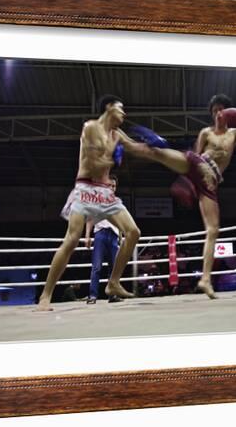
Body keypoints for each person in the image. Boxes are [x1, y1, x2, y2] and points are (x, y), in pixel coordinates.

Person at [119, 94, 236, 299]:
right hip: (197, 165)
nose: (217, 114)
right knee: (156, 153)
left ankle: (205, 279)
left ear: (227, 112)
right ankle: (119, 137)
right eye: (214, 111)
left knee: (213, 230)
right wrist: (188, 181)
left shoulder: (235, 133)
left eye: (221, 110)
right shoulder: (206, 132)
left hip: (211, 183)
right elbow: (194, 155)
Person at [36, 95, 140, 311]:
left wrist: (160, 150)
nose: (124, 113)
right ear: (109, 108)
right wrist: (114, 158)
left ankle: (113, 283)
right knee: (71, 240)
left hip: (105, 193)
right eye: (121, 109)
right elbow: (93, 164)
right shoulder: (91, 128)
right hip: (85, 189)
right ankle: (46, 296)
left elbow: (138, 149)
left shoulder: (117, 134)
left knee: (133, 232)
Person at [84, 175, 124, 304]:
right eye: (110, 185)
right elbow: (89, 219)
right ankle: (92, 296)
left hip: (113, 235)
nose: (112, 188)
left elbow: (122, 222)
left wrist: (121, 237)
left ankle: (112, 295)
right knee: (97, 266)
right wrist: (87, 236)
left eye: (114, 186)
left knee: (114, 268)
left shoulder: (118, 202)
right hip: (100, 234)